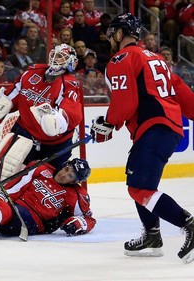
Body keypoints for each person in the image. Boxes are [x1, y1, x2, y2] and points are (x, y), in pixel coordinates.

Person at [90, 12, 194, 264]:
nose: (110, 38)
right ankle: (152, 234)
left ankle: (188, 224)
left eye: (112, 32)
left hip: (153, 127)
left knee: (140, 188)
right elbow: (181, 91)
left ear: (119, 34)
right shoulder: (156, 58)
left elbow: (126, 101)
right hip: (166, 129)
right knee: (137, 182)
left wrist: (110, 123)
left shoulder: (122, 57)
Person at [0, 43, 83, 170]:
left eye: (60, 56)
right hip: (24, 132)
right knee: (5, 170)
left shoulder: (69, 84)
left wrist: (58, 121)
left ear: (70, 62)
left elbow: (72, 114)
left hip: (55, 145)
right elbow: (10, 98)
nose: (54, 58)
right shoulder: (32, 72)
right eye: (54, 54)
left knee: (49, 180)